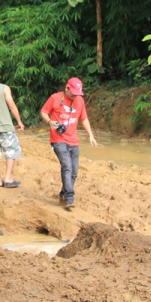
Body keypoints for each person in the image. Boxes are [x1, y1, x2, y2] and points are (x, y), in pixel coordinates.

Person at [40, 78, 98, 211]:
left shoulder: (79, 100)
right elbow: (43, 111)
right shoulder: (55, 98)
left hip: (73, 141)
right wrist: (49, 122)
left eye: (78, 93)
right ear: (66, 88)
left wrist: (91, 136)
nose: (75, 96)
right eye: (73, 92)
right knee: (67, 166)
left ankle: (63, 193)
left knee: (75, 170)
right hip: (58, 140)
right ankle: (69, 198)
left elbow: (83, 118)